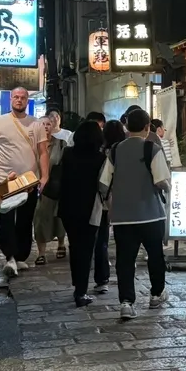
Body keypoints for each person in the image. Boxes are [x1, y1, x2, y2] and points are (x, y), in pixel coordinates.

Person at [101, 108, 171, 319]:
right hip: (151, 214)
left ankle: (126, 302)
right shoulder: (152, 148)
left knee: (125, 259)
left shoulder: (115, 150)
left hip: (122, 217)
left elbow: (104, 183)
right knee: (155, 256)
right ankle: (156, 294)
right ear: (147, 127)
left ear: (126, 127)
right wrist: (167, 187)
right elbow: (161, 181)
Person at [0, 87, 49, 277]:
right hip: (5, 180)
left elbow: (43, 152)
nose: (19, 100)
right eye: (16, 97)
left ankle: (20, 256)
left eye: (23, 97)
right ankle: (9, 256)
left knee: (26, 219)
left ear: (28, 100)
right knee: (7, 217)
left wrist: (44, 176)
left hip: (29, 180)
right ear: (11, 99)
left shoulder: (36, 124)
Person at [58, 121, 108, 307]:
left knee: (75, 247)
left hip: (68, 207)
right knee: (86, 250)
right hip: (90, 209)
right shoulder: (100, 158)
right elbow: (103, 187)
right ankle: (80, 292)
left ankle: (77, 284)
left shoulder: (68, 154)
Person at [94, 120, 128, 294]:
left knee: (102, 242)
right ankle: (127, 272)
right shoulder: (126, 151)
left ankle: (103, 279)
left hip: (103, 201)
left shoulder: (100, 153)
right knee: (126, 240)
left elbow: (102, 182)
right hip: (125, 201)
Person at [33, 115, 67, 265]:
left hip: (56, 187)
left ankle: (61, 243)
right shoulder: (32, 145)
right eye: (42, 124)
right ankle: (42, 252)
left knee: (58, 217)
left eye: (48, 124)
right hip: (36, 187)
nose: (46, 127)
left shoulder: (61, 144)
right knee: (40, 219)